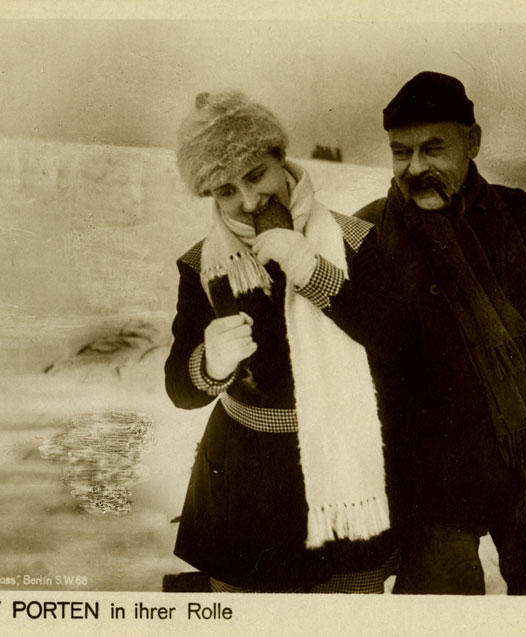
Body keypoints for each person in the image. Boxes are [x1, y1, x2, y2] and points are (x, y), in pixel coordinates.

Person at [355, 71, 526, 595]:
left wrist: (511, 374)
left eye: (433, 148)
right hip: (434, 477)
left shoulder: (518, 214)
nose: (416, 167)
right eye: (401, 152)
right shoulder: (367, 235)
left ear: (473, 141)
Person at [164, 91, 398, 593]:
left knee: (346, 616)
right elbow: (179, 389)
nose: (248, 201)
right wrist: (210, 363)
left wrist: (313, 271)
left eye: (255, 175)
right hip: (244, 489)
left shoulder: (355, 241)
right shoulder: (201, 266)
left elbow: (396, 343)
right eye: (226, 190)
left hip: (342, 469)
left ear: (280, 158)